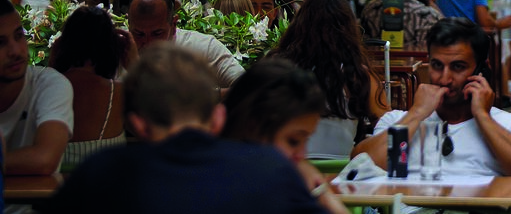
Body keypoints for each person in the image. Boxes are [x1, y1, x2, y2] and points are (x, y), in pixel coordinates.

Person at [47, 44, 330, 214]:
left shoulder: (98, 174)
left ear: (137, 125)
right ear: (218, 118)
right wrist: (320, 190)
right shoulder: (270, 170)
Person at [352, 17, 511, 180]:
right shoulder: (396, 122)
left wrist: (482, 116)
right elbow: (357, 167)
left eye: (458, 67)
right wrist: (416, 115)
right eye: (437, 65)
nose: (445, 79)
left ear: (481, 70)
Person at [270, 0, 390, 159]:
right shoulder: (358, 75)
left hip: (292, 170)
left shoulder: (280, 68)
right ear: (348, 29)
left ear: (300, 24)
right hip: (341, 174)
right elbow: (388, 125)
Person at [221, 58, 350, 214]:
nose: (302, 155)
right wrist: (323, 192)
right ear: (252, 127)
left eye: (305, 141)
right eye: (293, 141)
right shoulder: (278, 190)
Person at [0, 0, 73, 213]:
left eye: (18, 36)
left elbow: (45, 159)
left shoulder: (49, 84)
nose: (15, 51)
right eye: (0, 43)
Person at [50, 6, 136, 171]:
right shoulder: (118, 92)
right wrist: (135, 66)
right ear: (112, 46)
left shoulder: (49, 87)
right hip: (108, 189)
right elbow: (156, 125)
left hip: (57, 190)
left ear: (64, 43)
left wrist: (53, 63)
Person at [127, 0, 245, 88]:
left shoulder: (203, 47)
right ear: (128, 26)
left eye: (157, 33)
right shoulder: (117, 52)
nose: (148, 43)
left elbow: (249, 88)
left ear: (173, 24)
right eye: (139, 34)